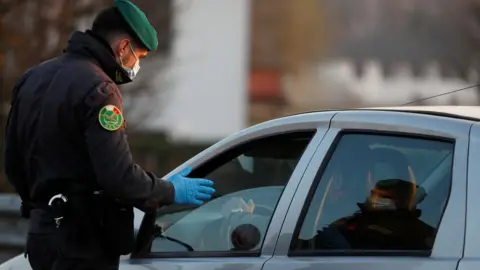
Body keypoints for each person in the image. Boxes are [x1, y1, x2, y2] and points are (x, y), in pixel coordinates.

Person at [3, 0, 215, 269]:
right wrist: (169, 190)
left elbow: (12, 163)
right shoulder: (99, 89)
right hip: (84, 243)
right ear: (123, 47)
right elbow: (119, 177)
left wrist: (43, 205)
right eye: (139, 56)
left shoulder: (31, 78)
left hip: (41, 236)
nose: (137, 65)